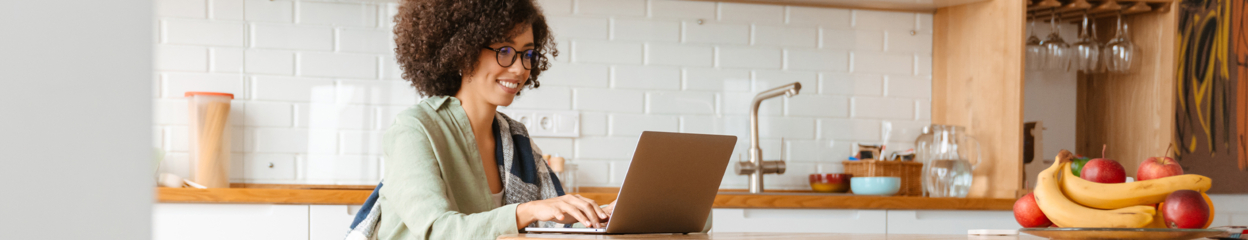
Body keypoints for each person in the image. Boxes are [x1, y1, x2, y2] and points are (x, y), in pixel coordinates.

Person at [343, 0, 615, 239]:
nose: (520, 68)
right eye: (505, 51)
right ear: (463, 50)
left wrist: (603, 216)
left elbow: (552, 216)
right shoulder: (415, 129)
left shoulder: (515, 138)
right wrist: (526, 211)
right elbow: (437, 231)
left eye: (527, 54)